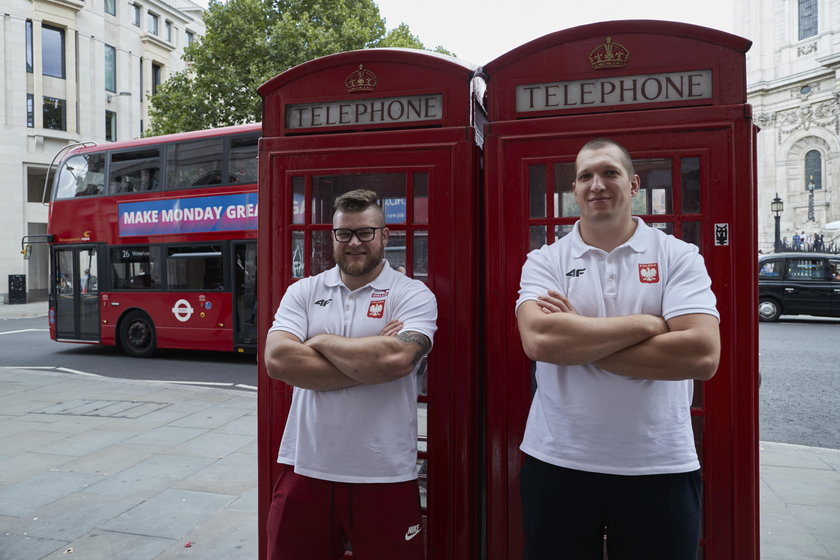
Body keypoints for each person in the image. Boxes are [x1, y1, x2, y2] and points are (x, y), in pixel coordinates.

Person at [515, 138, 721, 560]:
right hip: (557, 461)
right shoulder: (545, 260)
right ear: (573, 190)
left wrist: (577, 338)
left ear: (633, 184)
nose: (597, 184)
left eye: (609, 172)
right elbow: (539, 341)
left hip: (659, 464)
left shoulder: (678, 256)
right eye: (586, 176)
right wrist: (649, 325)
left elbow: (701, 355)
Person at [264, 189, 437, 560]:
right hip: (306, 467)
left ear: (384, 236)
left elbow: (398, 359)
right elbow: (277, 359)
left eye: (365, 232)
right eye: (345, 234)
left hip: (385, 472)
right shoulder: (304, 291)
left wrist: (319, 340)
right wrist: (372, 361)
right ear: (333, 237)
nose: (354, 242)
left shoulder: (412, 294)